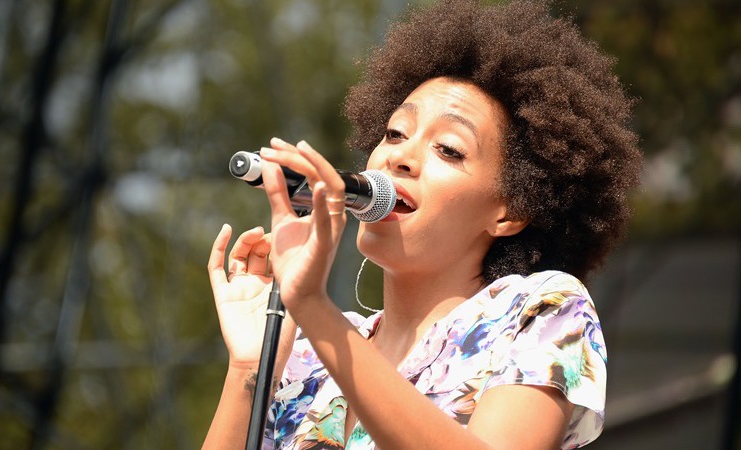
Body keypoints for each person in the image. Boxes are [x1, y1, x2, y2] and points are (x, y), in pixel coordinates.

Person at [203, 0, 641, 448]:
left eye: (449, 149)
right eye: (395, 133)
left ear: (510, 212)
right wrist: (252, 366)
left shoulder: (541, 309)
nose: (400, 156)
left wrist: (315, 309)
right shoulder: (305, 358)